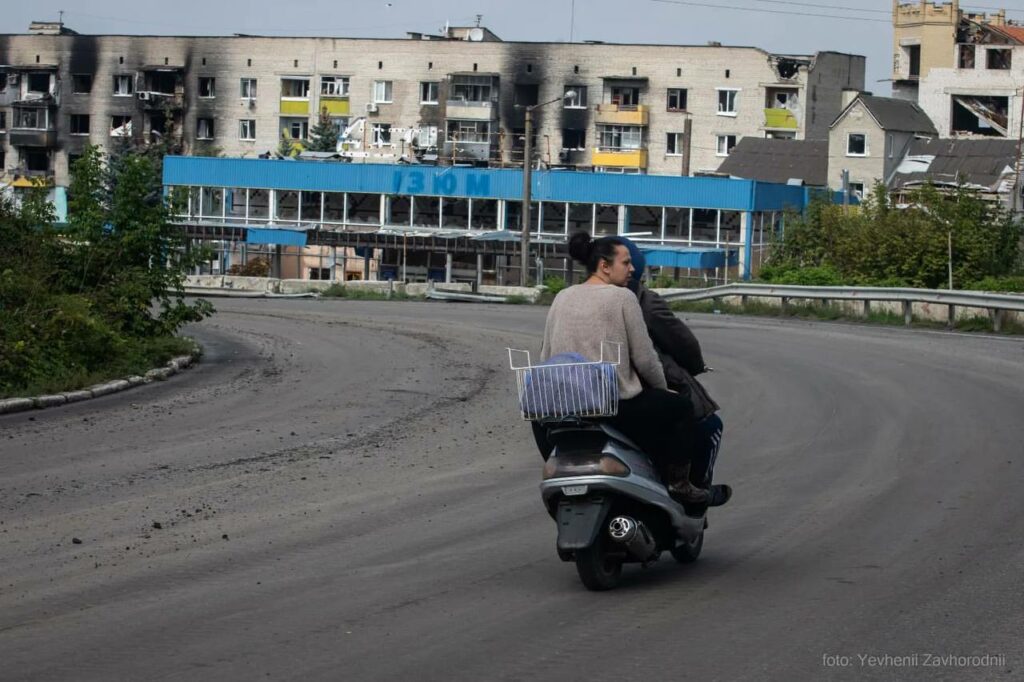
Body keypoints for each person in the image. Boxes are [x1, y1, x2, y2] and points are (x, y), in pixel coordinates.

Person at [538, 232, 710, 504]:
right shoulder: (622, 298)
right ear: (604, 266)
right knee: (682, 409)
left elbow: (546, 354)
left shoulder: (562, 296)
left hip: (562, 404)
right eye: (625, 262)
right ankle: (679, 485)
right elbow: (645, 358)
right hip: (612, 403)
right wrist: (664, 391)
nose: (632, 269)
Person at [619, 237, 732, 507]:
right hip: (637, 391)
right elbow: (676, 346)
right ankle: (693, 490)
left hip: (584, 391)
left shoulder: (574, 297)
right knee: (708, 425)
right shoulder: (642, 303)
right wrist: (692, 367)